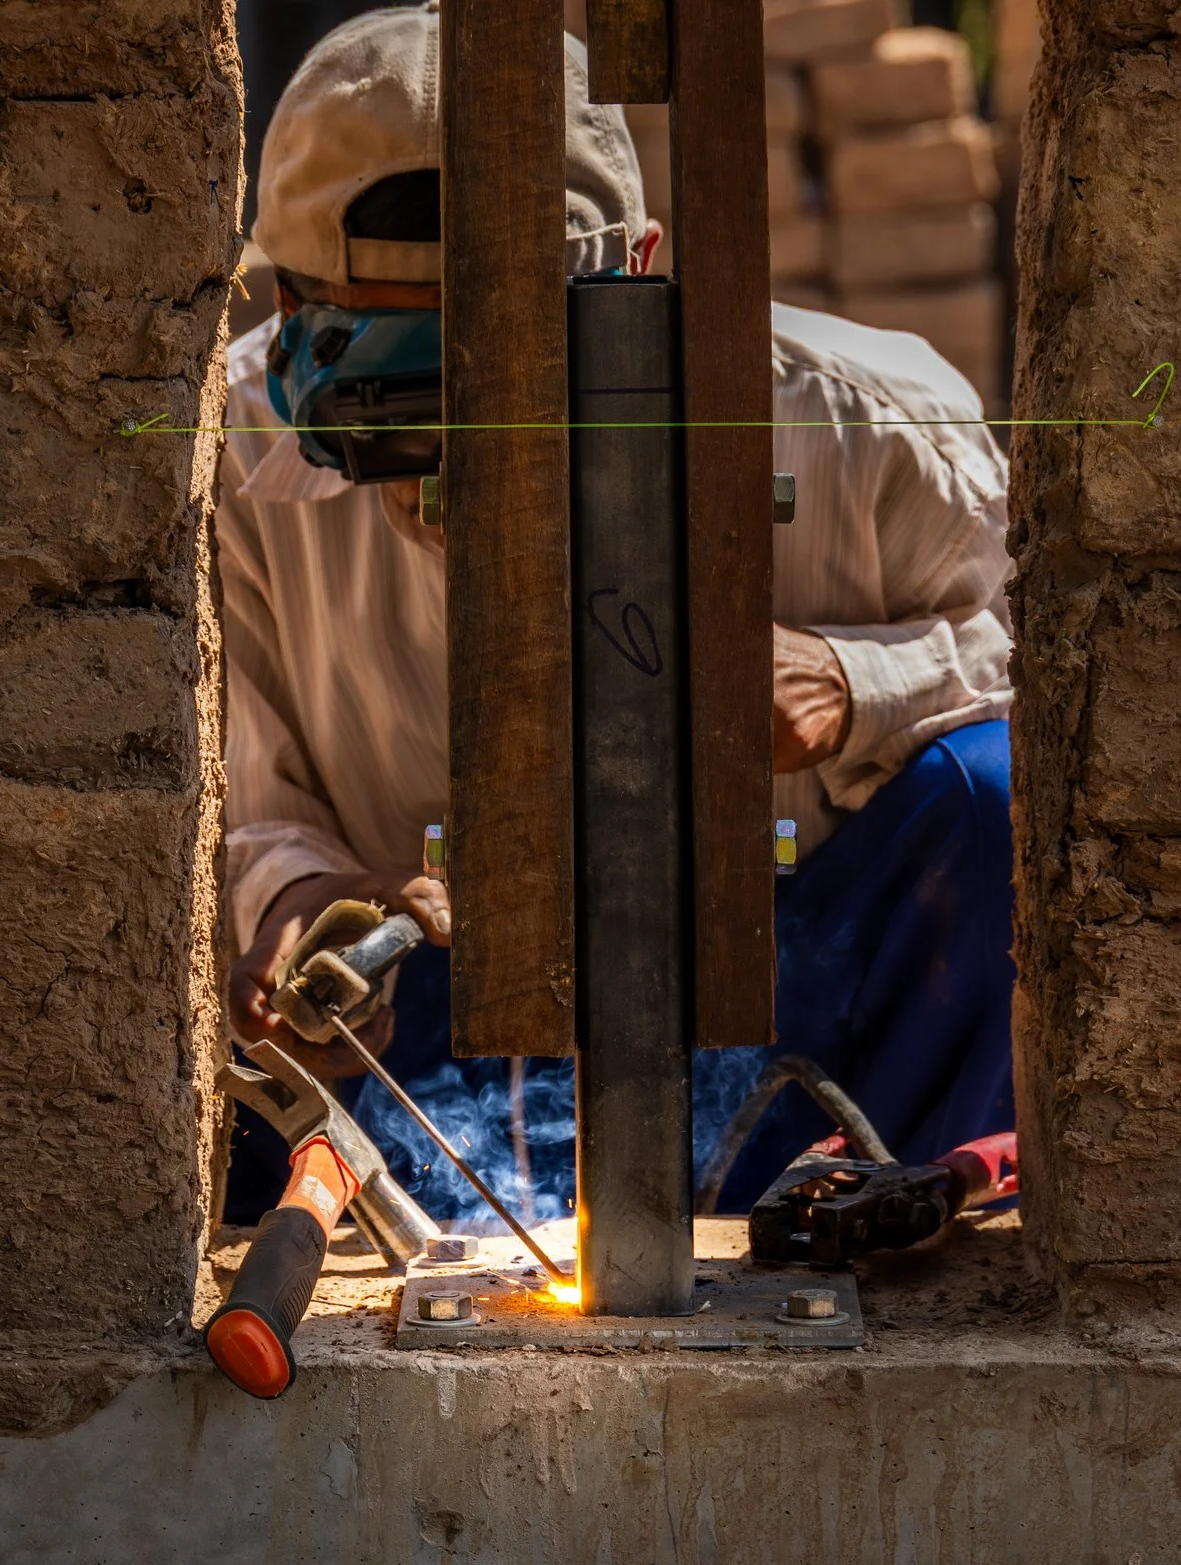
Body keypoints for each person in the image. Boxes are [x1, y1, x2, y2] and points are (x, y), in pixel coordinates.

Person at [218, 3, 1016, 1221]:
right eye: (406, 399)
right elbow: (242, 805)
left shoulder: (872, 432)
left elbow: (1056, 691)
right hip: (428, 1049)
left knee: (998, 794)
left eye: (518, 388)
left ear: (633, 282)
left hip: (800, 1002)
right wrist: (300, 918)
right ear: (287, 307)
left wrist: (857, 685)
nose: (465, 468)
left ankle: (881, 1225)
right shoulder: (235, 459)